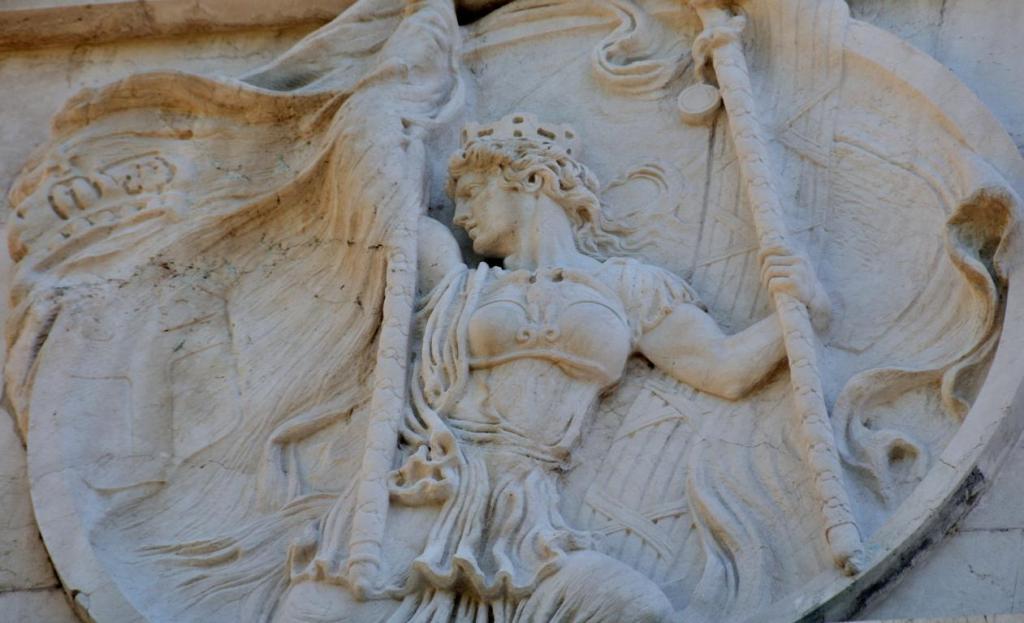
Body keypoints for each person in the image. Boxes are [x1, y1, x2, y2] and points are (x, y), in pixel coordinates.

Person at [274, 113, 831, 622]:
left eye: (472, 193)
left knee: (635, 611)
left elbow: (724, 370)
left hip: (525, 515)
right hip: (432, 490)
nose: (461, 214)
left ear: (532, 180)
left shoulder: (629, 287)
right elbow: (378, 195)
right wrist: (400, 108)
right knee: (313, 612)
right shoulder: (457, 281)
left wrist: (799, 308)